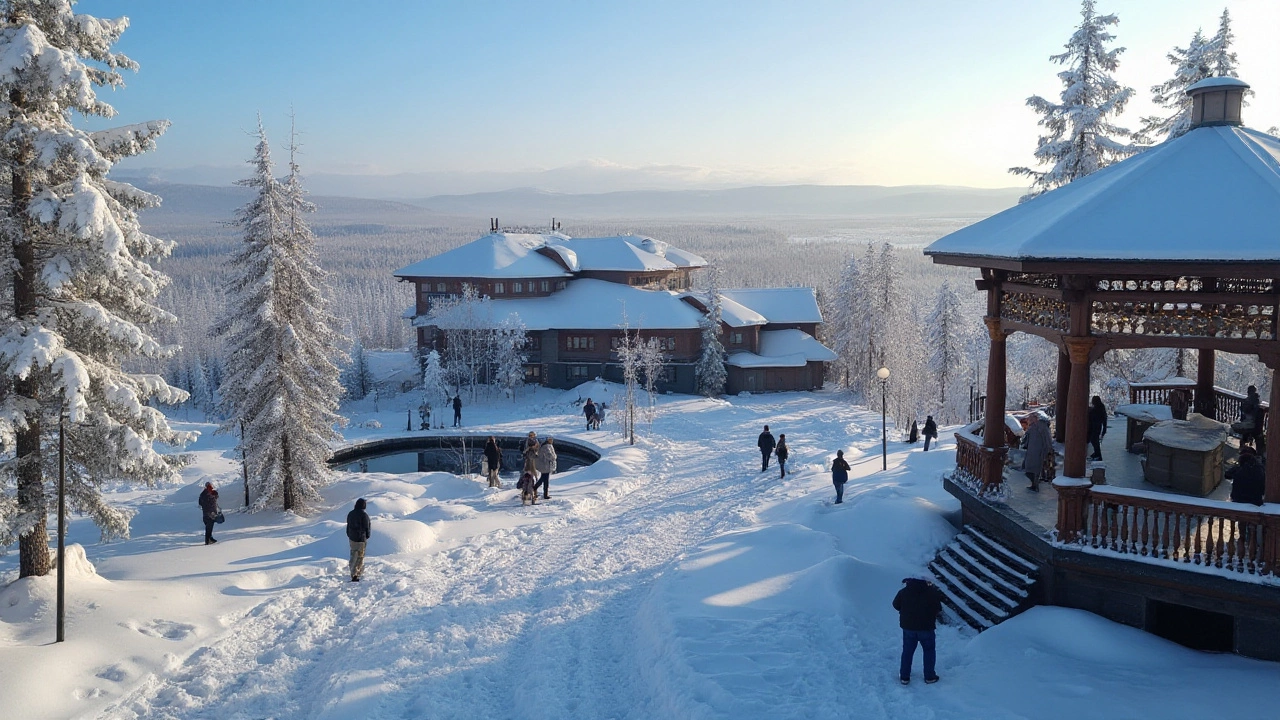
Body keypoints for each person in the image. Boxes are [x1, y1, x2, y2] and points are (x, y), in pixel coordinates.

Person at [893, 577, 943, 685]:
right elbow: (938, 608)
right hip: (927, 628)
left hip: (908, 628)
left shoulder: (903, 592)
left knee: (907, 651)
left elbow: (895, 605)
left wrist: (906, 611)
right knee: (929, 651)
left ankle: (904, 677)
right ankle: (929, 676)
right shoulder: (932, 592)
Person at [1022, 412, 1053, 492]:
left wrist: (1048, 449)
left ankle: (1035, 485)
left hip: (1039, 451)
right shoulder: (1032, 426)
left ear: (1036, 418)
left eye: (1031, 418)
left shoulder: (1041, 426)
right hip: (1031, 451)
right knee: (1029, 469)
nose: (1029, 420)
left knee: (1035, 469)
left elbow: (1047, 438)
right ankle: (1034, 484)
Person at [346, 498, 372, 582]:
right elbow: (367, 527)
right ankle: (356, 574)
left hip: (352, 538)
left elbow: (348, 525)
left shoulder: (350, 513)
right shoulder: (364, 515)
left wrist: (349, 534)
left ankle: (352, 570)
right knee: (360, 556)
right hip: (361, 538)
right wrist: (367, 536)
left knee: (353, 553)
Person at [1237, 385, 1262, 450]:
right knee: (1248, 434)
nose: (1248, 393)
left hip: (1252, 423)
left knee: (1246, 433)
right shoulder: (1254, 401)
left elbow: (1248, 412)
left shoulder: (1252, 402)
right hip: (1252, 422)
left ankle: (1243, 447)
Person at [1087, 396, 1108, 461]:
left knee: (1094, 440)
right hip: (1096, 426)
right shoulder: (1100, 407)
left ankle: (1098, 454)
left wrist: (1104, 428)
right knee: (1094, 440)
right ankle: (1097, 453)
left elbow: (1103, 418)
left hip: (1096, 426)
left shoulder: (1098, 408)